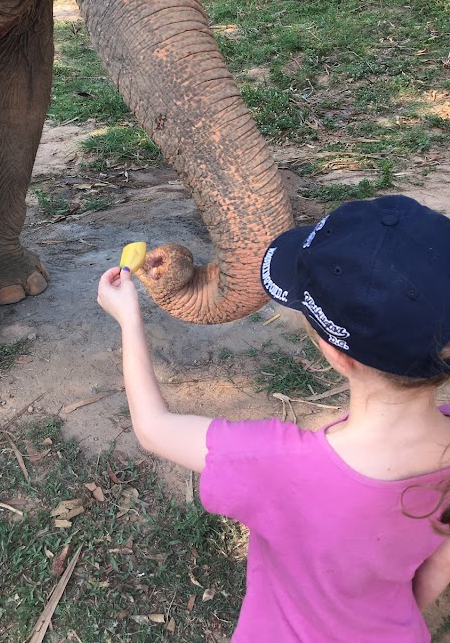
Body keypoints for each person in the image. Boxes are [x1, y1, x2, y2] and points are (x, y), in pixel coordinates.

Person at [97, 194, 450, 641]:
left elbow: (153, 428)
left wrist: (129, 319)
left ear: (333, 351)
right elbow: (435, 576)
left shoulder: (277, 463)